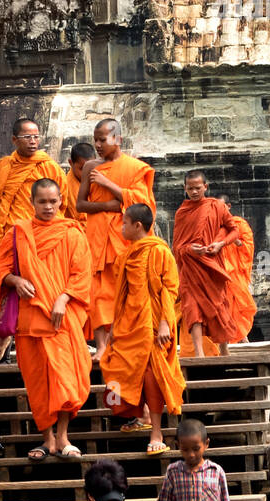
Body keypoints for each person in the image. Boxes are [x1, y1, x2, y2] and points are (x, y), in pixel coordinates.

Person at [0, 178, 92, 460]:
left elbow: (82, 275)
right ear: (32, 203)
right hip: (30, 321)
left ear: (61, 201)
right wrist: (15, 280)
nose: (48, 206)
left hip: (61, 319)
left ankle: (64, 436)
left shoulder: (72, 233)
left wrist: (64, 297)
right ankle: (48, 440)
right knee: (37, 382)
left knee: (65, 379)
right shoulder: (18, 233)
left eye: (53, 201)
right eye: (42, 202)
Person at [0, 117, 67, 361]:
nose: (33, 141)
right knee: (3, 285)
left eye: (36, 136)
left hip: (35, 239)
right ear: (15, 140)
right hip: (2, 237)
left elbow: (65, 203)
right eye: (27, 137)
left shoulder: (49, 167)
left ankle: (8, 336)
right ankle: (4, 331)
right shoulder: (2, 167)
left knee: (30, 285)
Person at [100, 204, 185, 455]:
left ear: (138, 226)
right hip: (129, 324)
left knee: (150, 373)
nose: (121, 228)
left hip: (153, 324)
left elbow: (169, 290)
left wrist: (163, 324)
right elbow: (122, 296)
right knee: (111, 365)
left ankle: (156, 430)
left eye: (124, 223)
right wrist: (115, 327)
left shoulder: (159, 252)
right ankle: (138, 413)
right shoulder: (126, 255)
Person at [76, 118, 156, 360]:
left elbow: (144, 205)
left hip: (124, 237)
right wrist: (108, 205)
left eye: (103, 139)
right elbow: (80, 204)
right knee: (97, 292)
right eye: (96, 140)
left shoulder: (135, 168)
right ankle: (101, 346)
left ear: (118, 139)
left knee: (126, 290)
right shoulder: (90, 166)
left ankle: (123, 341)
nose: (98, 144)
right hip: (97, 237)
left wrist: (107, 183)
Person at [172, 170, 238, 357]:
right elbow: (177, 247)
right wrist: (190, 250)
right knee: (192, 309)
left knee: (219, 307)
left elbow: (234, 231)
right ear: (185, 188)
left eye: (198, 188)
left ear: (205, 187)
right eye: (190, 188)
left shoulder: (216, 206)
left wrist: (220, 244)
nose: (194, 192)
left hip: (211, 265)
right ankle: (199, 354)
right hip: (190, 268)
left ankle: (224, 350)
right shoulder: (182, 213)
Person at [221, 198, 257, 343]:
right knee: (224, 306)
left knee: (239, 304)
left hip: (235, 272)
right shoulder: (212, 224)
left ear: (228, 206)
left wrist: (234, 239)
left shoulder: (239, 224)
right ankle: (230, 341)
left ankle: (242, 338)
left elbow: (248, 248)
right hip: (221, 271)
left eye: (222, 206)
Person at [62, 141, 95, 222]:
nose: (87, 173)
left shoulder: (99, 178)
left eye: (90, 168)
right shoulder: (67, 187)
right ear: (71, 163)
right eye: (82, 169)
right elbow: (79, 218)